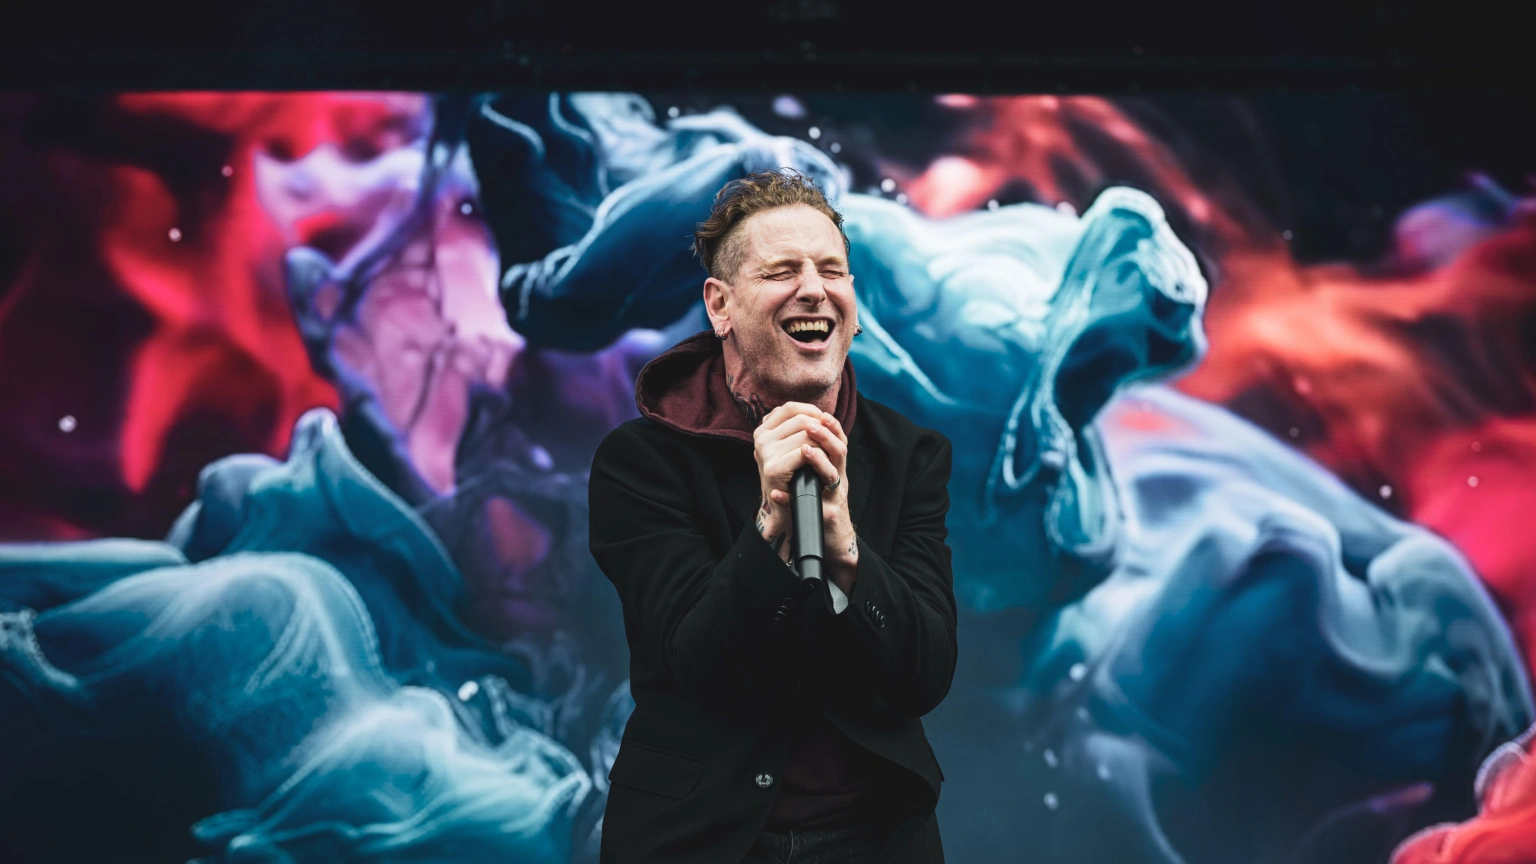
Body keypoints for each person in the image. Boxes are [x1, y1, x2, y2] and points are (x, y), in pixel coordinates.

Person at [587, 169, 957, 864]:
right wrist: (770, 526)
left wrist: (847, 550)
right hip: (700, 838)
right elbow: (698, 668)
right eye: (782, 271)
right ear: (720, 306)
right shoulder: (641, 461)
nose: (813, 289)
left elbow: (925, 675)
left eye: (831, 271)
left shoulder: (910, 455)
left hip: (877, 836)